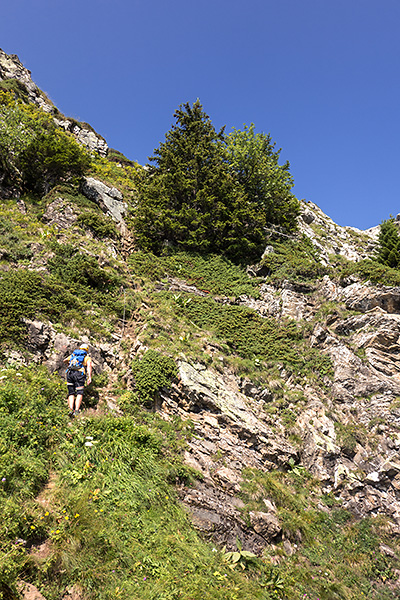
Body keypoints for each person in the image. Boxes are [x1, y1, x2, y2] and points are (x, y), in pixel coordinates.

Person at [63, 343, 92, 416]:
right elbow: (89, 366)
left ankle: (70, 410)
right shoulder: (86, 357)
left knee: (71, 393)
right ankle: (76, 411)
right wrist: (89, 377)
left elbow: (65, 360)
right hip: (79, 375)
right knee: (79, 393)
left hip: (70, 374)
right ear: (87, 350)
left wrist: (68, 365)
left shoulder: (73, 355)